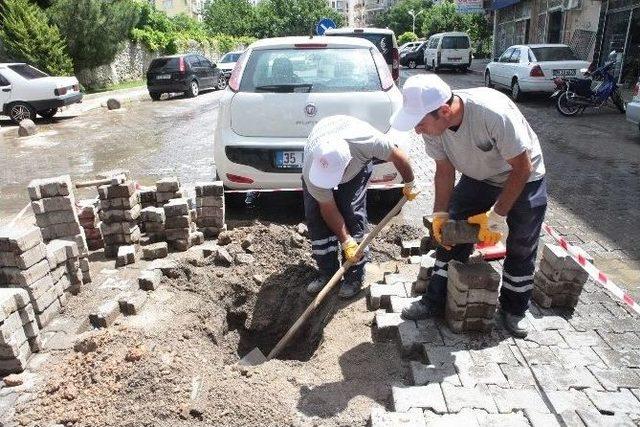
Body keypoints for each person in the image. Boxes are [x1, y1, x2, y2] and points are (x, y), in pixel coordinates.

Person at [390, 74, 547, 338]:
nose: (417, 130)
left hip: (524, 177)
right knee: (449, 235)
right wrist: (441, 214)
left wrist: (496, 215)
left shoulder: (492, 114)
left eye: (419, 123)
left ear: (443, 111)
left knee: (521, 244)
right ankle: (435, 299)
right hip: (479, 177)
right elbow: (443, 170)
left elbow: (522, 167)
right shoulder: (434, 127)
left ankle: (515, 308)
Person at [303, 115, 418, 298]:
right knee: (316, 218)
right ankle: (327, 272)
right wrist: (345, 240)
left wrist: (410, 183)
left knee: (352, 214)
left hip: (355, 170)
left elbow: (399, 156)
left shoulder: (366, 142)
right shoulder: (312, 169)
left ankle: (354, 276)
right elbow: (328, 208)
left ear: (348, 162)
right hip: (321, 152)